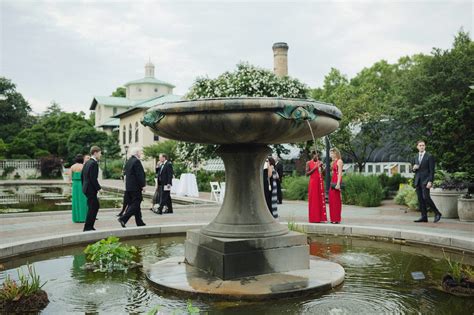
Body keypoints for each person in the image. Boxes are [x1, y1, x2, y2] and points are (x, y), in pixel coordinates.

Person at [413, 140, 442, 223]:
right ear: (417, 147)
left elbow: (432, 171)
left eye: (423, 145)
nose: (422, 147)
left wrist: (430, 181)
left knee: (426, 197)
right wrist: (414, 168)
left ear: (425, 146)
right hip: (418, 180)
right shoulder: (415, 156)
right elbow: (415, 170)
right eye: (420, 145)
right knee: (420, 199)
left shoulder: (429, 156)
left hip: (426, 180)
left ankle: (437, 213)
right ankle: (424, 217)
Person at [118, 147, 146, 227]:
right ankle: (123, 218)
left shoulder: (129, 161)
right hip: (135, 187)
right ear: (136, 153)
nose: (141, 154)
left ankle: (139, 222)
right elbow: (139, 175)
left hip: (129, 187)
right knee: (136, 203)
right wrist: (143, 185)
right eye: (140, 152)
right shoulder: (136, 161)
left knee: (135, 204)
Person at [81, 146, 102, 231]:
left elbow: (82, 176)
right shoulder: (93, 163)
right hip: (90, 189)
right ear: (95, 152)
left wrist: (84, 186)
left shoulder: (87, 162)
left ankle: (89, 226)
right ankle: (88, 227)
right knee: (94, 206)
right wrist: (99, 188)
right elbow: (93, 178)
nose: (101, 155)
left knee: (93, 206)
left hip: (86, 188)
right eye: (100, 153)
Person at [306, 151, 327, 223]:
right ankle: (314, 218)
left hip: (320, 183)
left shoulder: (320, 162)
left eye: (318, 155)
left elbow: (324, 174)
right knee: (313, 200)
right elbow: (307, 174)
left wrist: (323, 168)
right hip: (313, 183)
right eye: (316, 155)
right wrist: (315, 167)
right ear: (313, 155)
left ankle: (321, 218)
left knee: (320, 199)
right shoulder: (308, 163)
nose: (317, 156)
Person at [69, 154, 88, 223]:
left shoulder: (72, 167)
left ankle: (76, 218)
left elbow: (70, 178)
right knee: (83, 201)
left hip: (75, 185)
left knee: (75, 201)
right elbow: (86, 177)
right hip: (82, 184)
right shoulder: (84, 166)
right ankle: (83, 218)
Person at [328, 148, 343, 224]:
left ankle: (336, 218)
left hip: (337, 180)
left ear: (335, 153)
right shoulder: (333, 162)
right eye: (330, 153)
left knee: (336, 200)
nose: (330, 155)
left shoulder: (339, 161)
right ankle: (333, 218)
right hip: (333, 180)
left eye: (331, 153)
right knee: (332, 199)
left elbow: (340, 173)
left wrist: (338, 184)